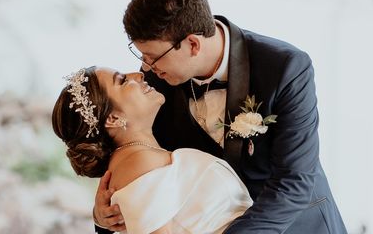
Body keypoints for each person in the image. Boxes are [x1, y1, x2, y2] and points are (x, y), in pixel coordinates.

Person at [94, 0, 347, 233]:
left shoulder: (285, 68)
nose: (145, 67)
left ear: (192, 44)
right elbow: (137, 163)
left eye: (152, 57)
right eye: (142, 55)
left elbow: (294, 182)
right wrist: (103, 217)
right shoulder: (155, 82)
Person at [53, 66, 252, 234]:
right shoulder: (137, 166)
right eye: (122, 81)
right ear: (112, 119)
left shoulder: (141, 157)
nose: (139, 74)